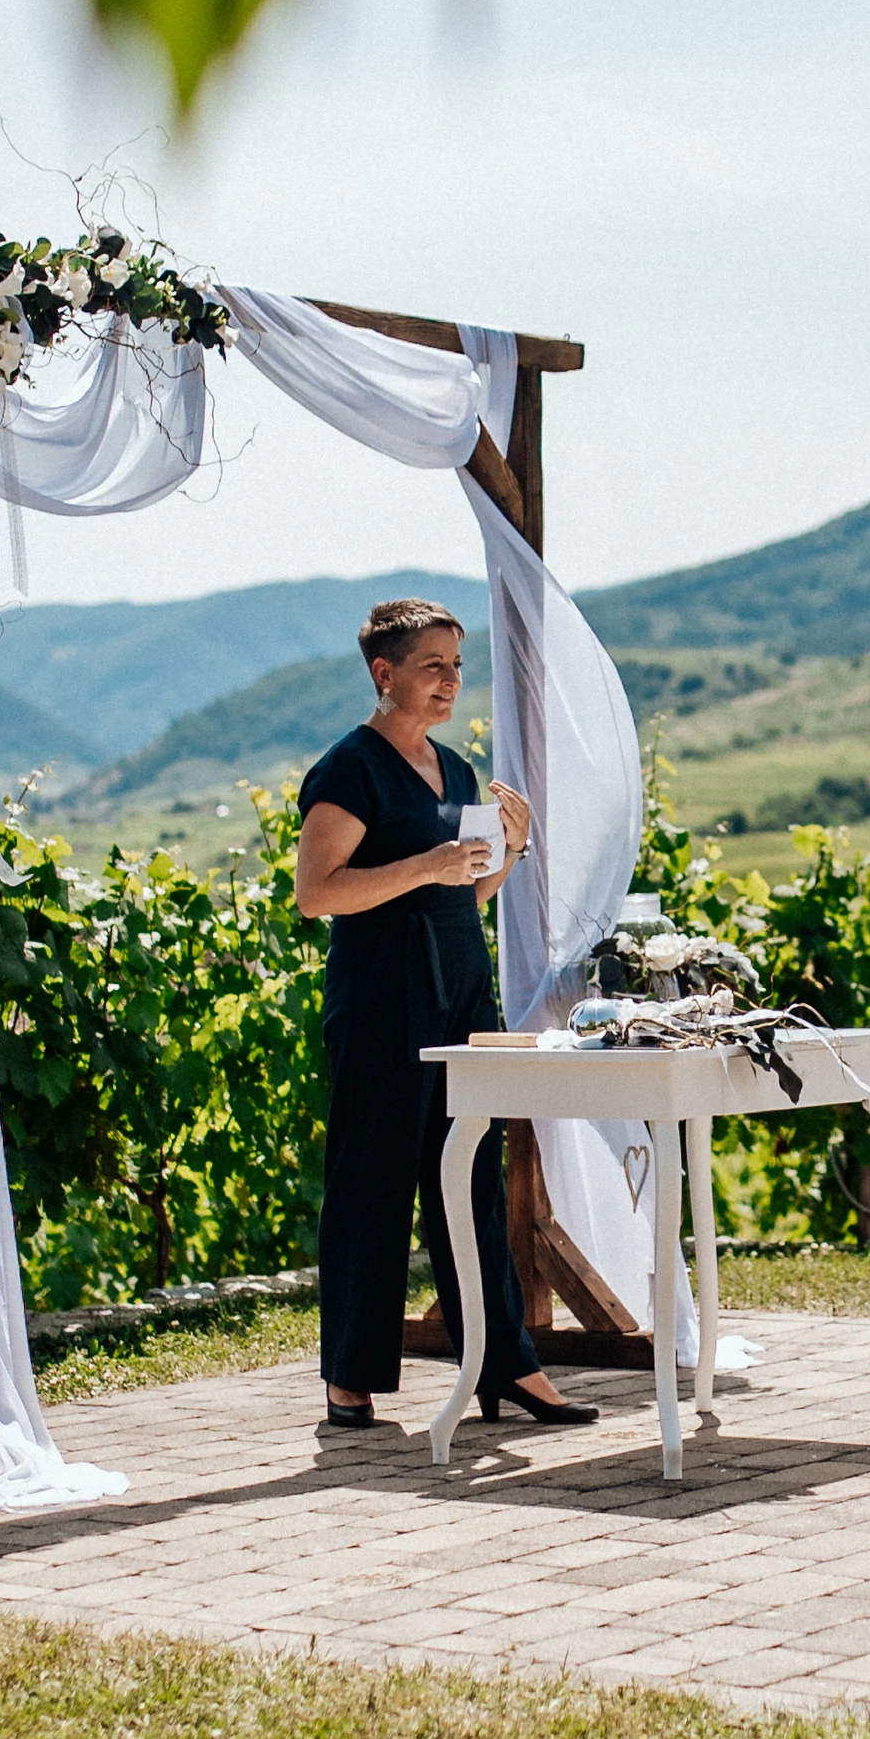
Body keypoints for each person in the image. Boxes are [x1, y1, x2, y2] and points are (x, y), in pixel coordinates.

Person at [293, 598, 600, 1435]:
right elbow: (317, 893)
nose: (451, 682)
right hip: (382, 1001)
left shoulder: (459, 772)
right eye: (433, 666)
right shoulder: (349, 771)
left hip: (461, 994)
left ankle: (507, 1368)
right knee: (373, 1185)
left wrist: (515, 847)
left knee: (471, 1182)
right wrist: (426, 862)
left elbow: (465, 891)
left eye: (458, 666)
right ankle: (349, 1380)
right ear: (384, 674)